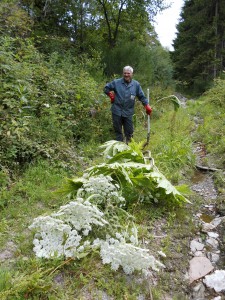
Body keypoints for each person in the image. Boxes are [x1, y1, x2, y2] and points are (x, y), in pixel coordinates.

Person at [104, 66, 152, 143]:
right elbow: (106, 88)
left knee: (129, 132)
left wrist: (147, 105)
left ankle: (128, 148)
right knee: (118, 132)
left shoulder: (136, 85)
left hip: (128, 112)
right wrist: (110, 94)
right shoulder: (116, 82)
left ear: (132, 74)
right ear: (123, 73)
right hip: (117, 111)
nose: (126, 75)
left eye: (128, 73)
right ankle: (118, 149)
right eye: (125, 73)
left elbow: (141, 96)